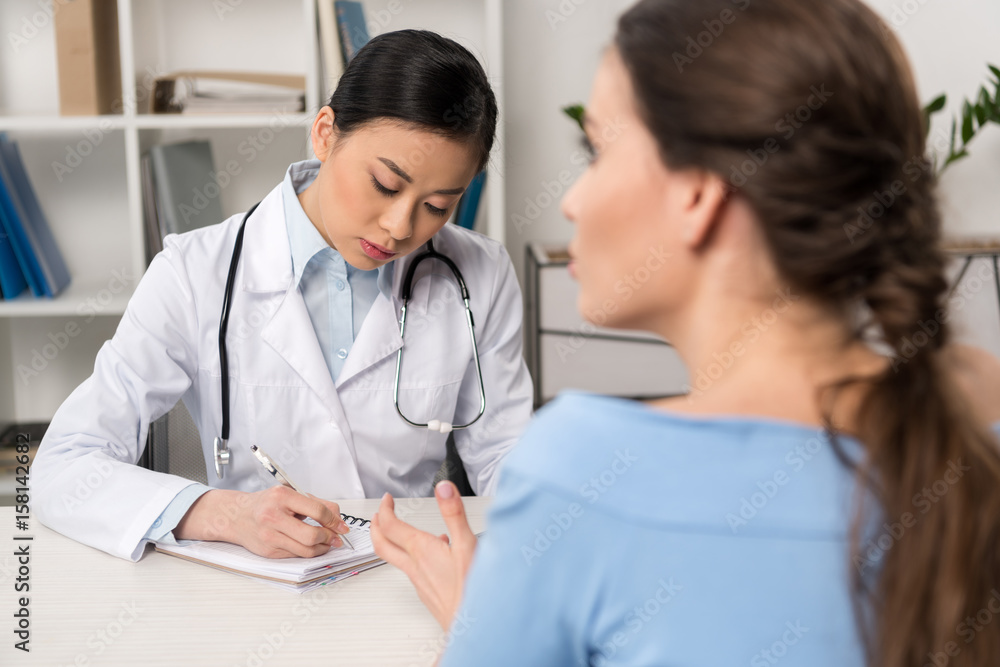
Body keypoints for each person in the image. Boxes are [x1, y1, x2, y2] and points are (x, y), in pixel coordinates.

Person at [370, 1, 1000, 665]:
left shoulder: (580, 476)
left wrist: (488, 620)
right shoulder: (976, 414)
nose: (570, 200)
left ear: (698, 193)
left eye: (597, 150)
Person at [30, 30, 533, 562]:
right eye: (385, 184)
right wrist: (222, 514)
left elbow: (506, 454)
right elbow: (64, 465)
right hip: (253, 581)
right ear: (324, 134)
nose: (398, 225)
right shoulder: (193, 272)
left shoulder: (480, 274)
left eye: (436, 205)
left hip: (402, 572)